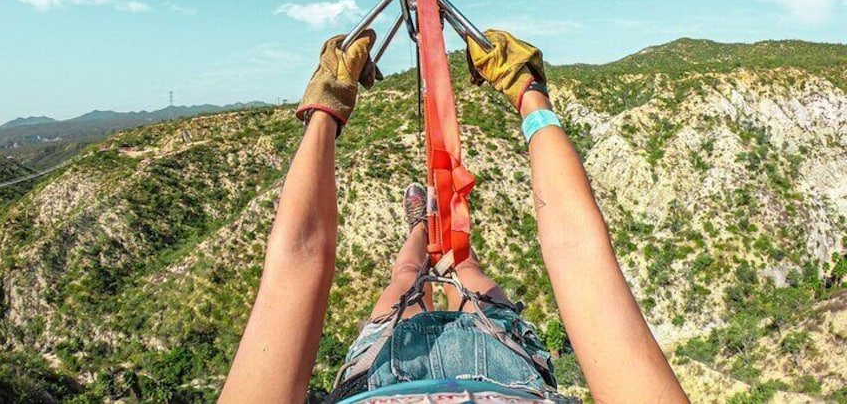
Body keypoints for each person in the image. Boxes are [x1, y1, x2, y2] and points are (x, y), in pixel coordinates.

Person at [219, 30, 690, 404]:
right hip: (502, 371)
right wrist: (531, 96)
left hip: (392, 374)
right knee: (461, 266)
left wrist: (327, 104)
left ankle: (423, 227)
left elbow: (297, 263)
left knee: (408, 275)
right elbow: (578, 253)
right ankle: (442, 240)